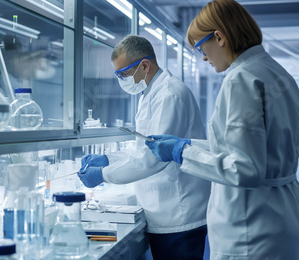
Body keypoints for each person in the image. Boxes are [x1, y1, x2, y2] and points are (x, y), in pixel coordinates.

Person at [146, 0, 299, 260]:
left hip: (252, 227)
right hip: (283, 214)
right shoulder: (277, 73)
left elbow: (244, 169)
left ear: (220, 37)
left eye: (201, 47)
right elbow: (243, 148)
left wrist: (182, 153)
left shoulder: (241, 79)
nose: (203, 58)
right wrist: (186, 145)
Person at [77, 35, 211, 260]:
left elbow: (153, 158)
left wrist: (103, 174)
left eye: (123, 74)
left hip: (178, 212)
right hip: (163, 209)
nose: (121, 80)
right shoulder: (151, 92)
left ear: (144, 65)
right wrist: (109, 159)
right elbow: (145, 146)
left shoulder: (170, 94)